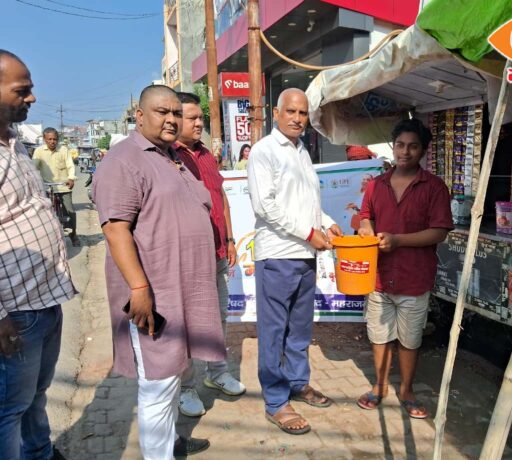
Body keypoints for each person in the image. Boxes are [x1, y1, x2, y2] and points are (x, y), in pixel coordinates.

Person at [93, 85, 225, 459]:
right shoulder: (123, 160)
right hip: (154, 294)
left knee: (174, 373)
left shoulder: (173, 157)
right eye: (161, 112)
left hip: (183, 290)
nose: (171, 119)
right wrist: (139, 287)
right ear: (139, 116)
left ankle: (170, 442)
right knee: (158, 381)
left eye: (176, 113)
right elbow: (115, 229)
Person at [0, 48, 75, 460]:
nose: (32, 97)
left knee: (36, 394)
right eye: (22, 90)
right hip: (11, 311)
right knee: (7, 407)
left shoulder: (14, 142)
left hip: (44, 300)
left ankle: (38, 452)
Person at [247, 88, 343, 435]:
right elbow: (265, 206)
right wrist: (309, 232)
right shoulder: (264, 151)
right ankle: (276, 401)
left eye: (303, 113)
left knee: (300, 328)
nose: (297, 119)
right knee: (274, 332)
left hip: (305, 255)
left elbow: (304, 202)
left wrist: (326, 221)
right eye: (291, 111)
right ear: (276, 113)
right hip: (279, 255)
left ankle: (298, 383)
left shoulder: (302, 151)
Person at [356, 119, 453, 419]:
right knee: (379, 335)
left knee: (410, 339)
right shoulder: (376, 185)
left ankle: (407, 390)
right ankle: (380, 385)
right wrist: (366, 228)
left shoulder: (434, 187)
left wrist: (398, 240)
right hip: (379, 275)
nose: (405, 152)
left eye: (413, 146)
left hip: (414, 276)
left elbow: (439, 232)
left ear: (423, 151)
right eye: (400, 145)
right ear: (393, 146)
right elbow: (365, 215)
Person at [174, 92, 245, 417]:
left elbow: (221, 198)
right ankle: (186, 387)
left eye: (200, 117)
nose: (199, 123)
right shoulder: (168, 158)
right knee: (189, 324)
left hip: (217, 251)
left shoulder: (205, 155)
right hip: (189, 258)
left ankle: (217, 373)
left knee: (218, 317)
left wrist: (229, 238)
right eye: (192, 118)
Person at [33, 127, 80, 246]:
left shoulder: (63, 150)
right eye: (49, 139)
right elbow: (33, 167)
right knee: (41, 212)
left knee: (70, 211)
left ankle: (73, 234)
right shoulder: (39, 151)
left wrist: (71, 178)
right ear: (44, 139)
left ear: (58, 139)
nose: (52, 141)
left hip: (63, 186)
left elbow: (70, 165)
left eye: (54, 139)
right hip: (46, 187)